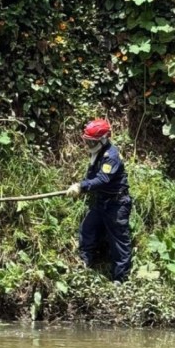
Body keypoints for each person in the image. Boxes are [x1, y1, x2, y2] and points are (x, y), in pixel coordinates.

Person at [66, 118, 133, 282]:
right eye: (87, 141)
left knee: (118, 242)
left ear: (103, 139)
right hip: (102, 201)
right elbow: (92, 176)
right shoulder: (97, 153)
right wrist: (82, 188)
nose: (88, 145)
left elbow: (103, 179)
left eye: (92, 142)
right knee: (87, 229)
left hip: (117, 204)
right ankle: (84, 263)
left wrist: (81, 186)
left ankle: (120, 279)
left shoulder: (111, 156)